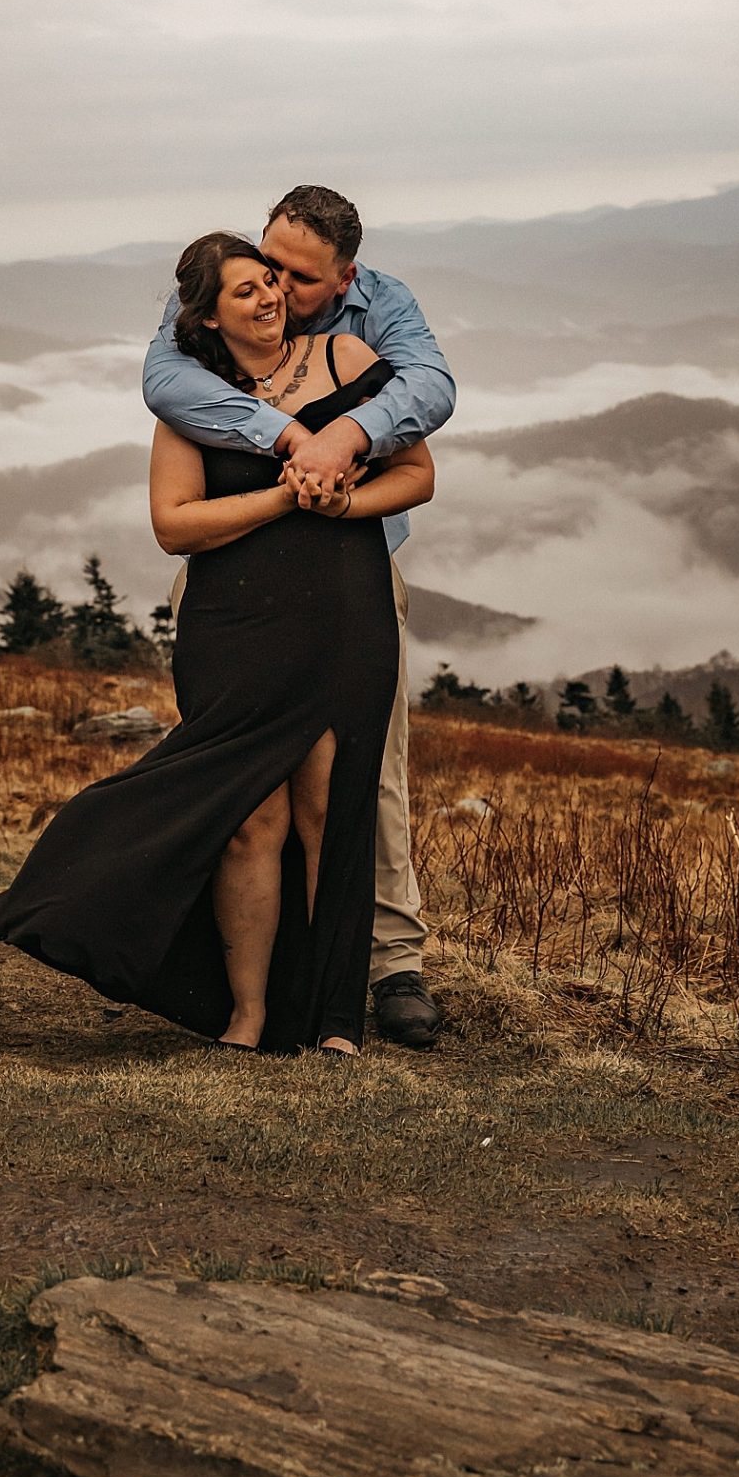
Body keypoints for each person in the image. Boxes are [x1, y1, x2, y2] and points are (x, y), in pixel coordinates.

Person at [0, 232, 436, 1056]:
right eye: (247, 291)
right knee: (249, 819)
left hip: (344, 615)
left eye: (272, 282)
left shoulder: (345, 355)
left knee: (332, 811)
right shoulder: (192, 399)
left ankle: (335, 1022)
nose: (270, 297)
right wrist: (286, 498)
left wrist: (338, 507)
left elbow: (417, 476)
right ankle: (249, 1016)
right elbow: (174, 525)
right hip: (236, 624)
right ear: (206, 318)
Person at [142, 185, 456, 1048]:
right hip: (232, 592)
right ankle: (228, 978)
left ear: (344, 276)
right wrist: (290, 449)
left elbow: (430, 392)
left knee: (363, 779)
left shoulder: (375, 318)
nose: (275, 283)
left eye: (296, 276)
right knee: (237, 783)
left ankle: (389, 966)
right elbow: (165, 383)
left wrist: (345, 443)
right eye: (265, 262)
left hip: (352, 581)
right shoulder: (210, 303)